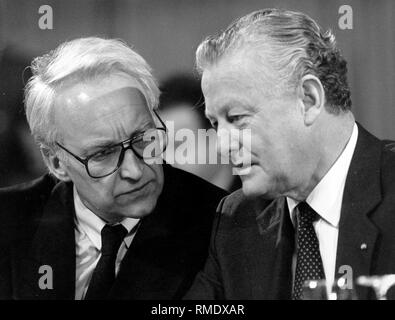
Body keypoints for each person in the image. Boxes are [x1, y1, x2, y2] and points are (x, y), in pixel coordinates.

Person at [185, 8, 395, 300]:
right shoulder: (236, 221)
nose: (222, 145)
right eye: (214, 123)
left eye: (236, 118)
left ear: (308, 99)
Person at [0, 37, 227, 300]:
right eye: (104, 154)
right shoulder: (8, 223)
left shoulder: (221, 226)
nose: (135, 171)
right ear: (56, 163)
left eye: (144, 139)